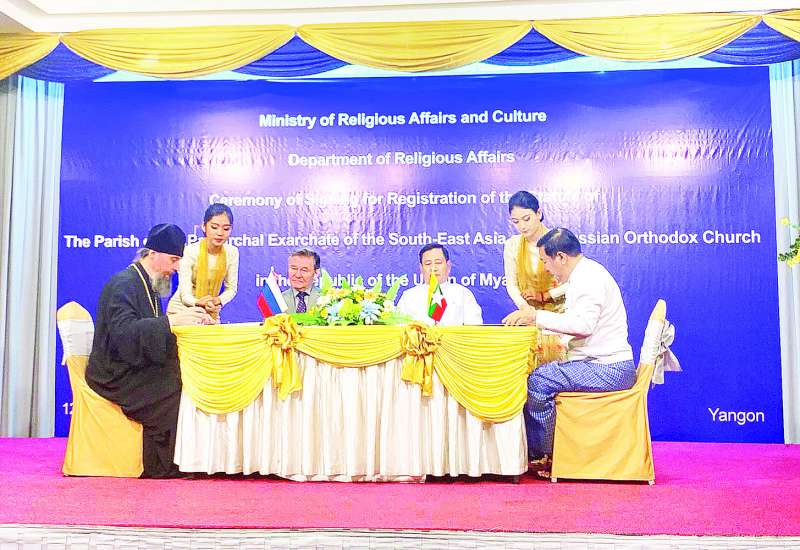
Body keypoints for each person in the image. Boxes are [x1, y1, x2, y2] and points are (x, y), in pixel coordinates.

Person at [503, 228, 635, 475]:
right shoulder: (586, 274)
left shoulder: (588, 279)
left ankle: (546, 455)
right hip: (601, 363)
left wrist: (535, 316)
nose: (545, 269)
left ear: (561, 257)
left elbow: (583, 326)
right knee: (542, 373)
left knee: (539, 381)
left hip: (609, 369)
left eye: (545, 261)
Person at [86, 223, 212, 478]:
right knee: (175, 387)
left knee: (188, 376)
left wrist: (185, 322)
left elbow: (149, 332)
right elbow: (124, 335)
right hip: (114, 374)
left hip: (132, 365)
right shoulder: (124, 284)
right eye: (174, 260)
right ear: (152, 254)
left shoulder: (148, 283)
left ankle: (187, 458)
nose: (177, 268)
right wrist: (170, 322)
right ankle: (165, 465)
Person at [167, 203, 239, 322]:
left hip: (211, 310)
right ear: (204, 226)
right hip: (182, 309)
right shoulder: (190, 251)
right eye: (214, 227)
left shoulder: (232, 252)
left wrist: (218, 300)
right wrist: (199, 303)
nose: (220, 233)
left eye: (226, 228)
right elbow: (185, 296)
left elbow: (231, 289)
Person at [503, 191, 567, 312]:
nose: (522, 226)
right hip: (530, 312)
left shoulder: (559, 240)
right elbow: (511, 285)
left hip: (561, 313)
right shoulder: (512, 245)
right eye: (516, 221)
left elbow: (573, 282)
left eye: (526, 219)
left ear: (538, 213)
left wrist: (546, 296)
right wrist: (524, 307)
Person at [397, 243, 483, 326]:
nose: (433, 268)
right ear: (421, 268)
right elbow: (398, 329)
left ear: (448, 266)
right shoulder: (408, 296)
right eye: (428, 264)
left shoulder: (463, 294)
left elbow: (475, 328)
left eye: (438, 263)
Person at [282, 248, 321, 313]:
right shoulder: (279, 301)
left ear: (316, 273)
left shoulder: (326, 300)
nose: (298, 275)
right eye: (294, 268)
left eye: (304, 270)